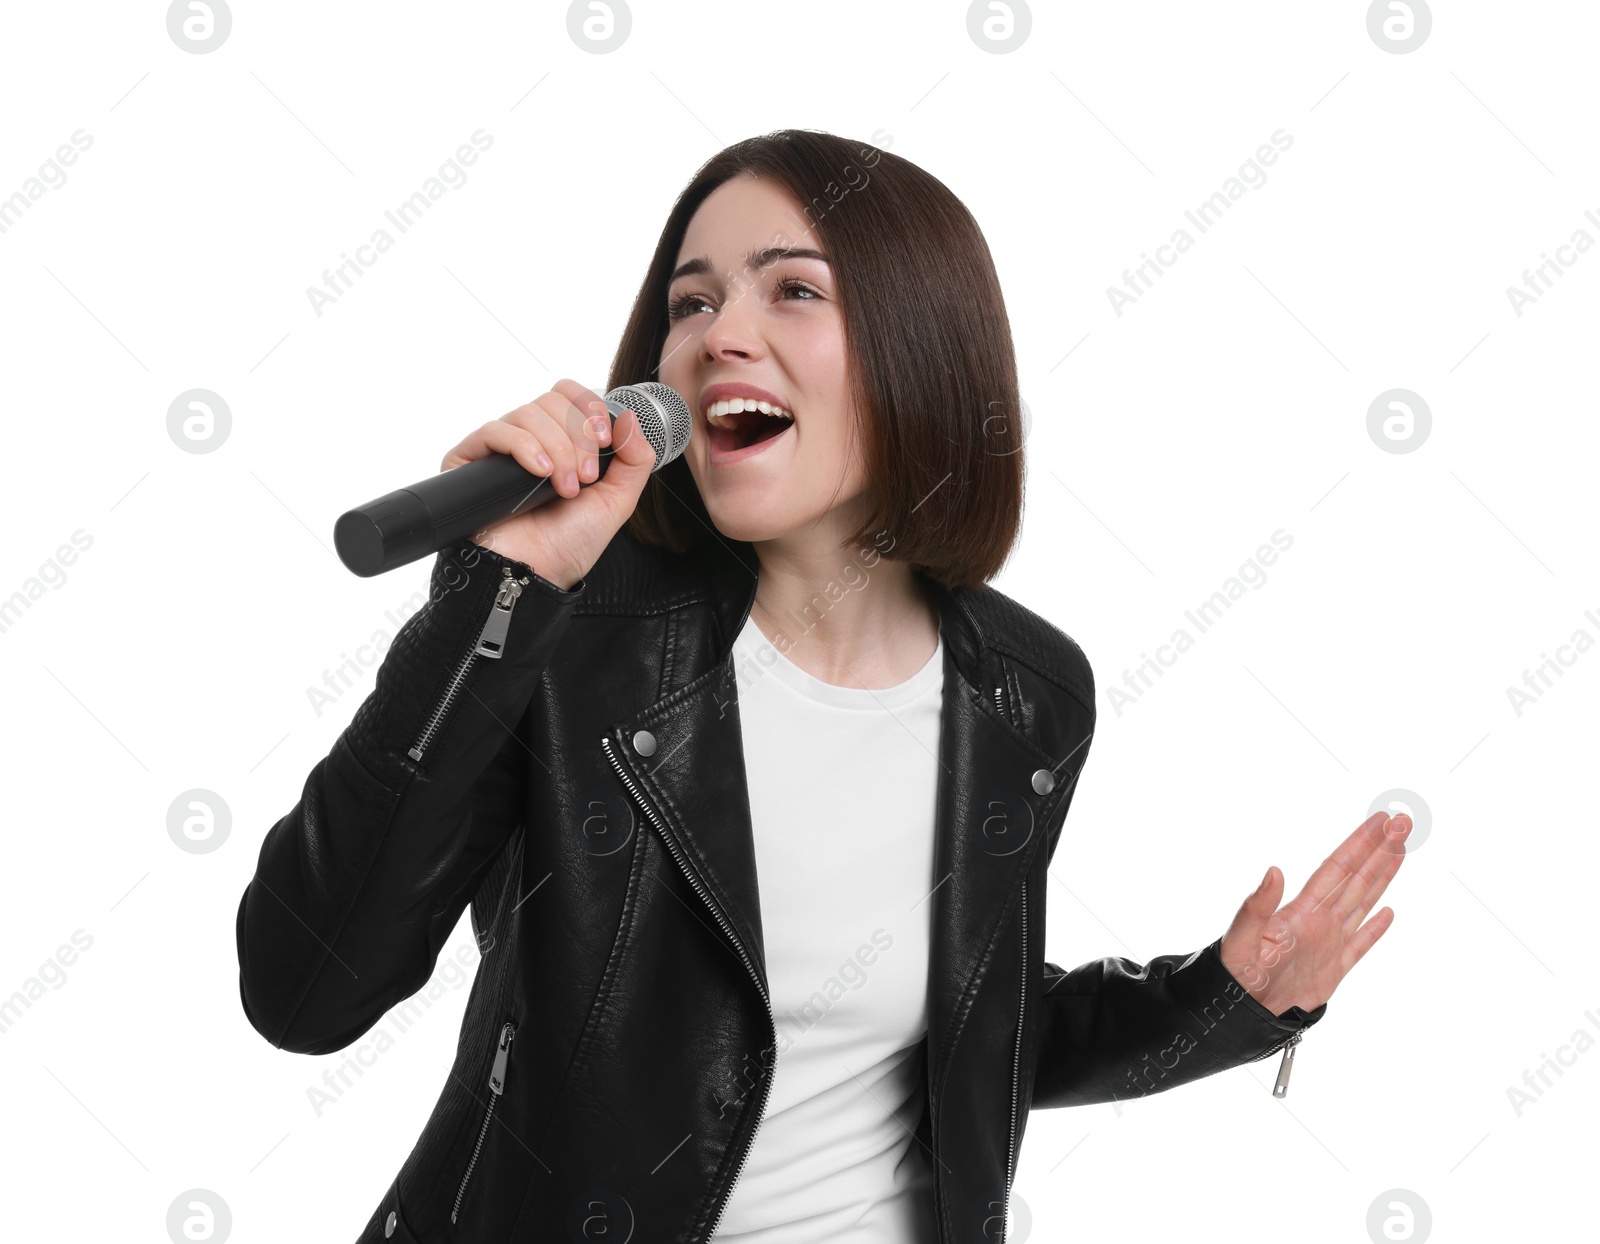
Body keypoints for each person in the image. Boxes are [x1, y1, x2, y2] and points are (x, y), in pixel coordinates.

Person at [236, 129, 1410, 1244]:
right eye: (691, 302)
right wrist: (497, 600)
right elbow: (305, 991)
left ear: (922, 347)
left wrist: (1228, 1000)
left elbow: (956, 1030)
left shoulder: (1029, 693)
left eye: (791, 290)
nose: (716, 335)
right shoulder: (567, 628)